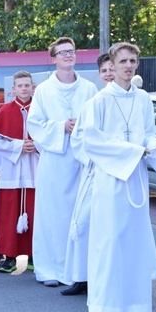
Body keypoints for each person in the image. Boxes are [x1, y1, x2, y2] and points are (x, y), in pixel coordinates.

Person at [72, 42, 156, 312]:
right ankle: (102, 307)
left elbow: (147, 134)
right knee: (109, 241)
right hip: (110, 179)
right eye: (123, 60)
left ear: (137, 64)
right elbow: (93, 142)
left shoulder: (144, 99)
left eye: (133, 60)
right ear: (111, 66)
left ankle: (136, 305)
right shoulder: (98, 102)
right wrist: (133, 152)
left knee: (134, 242)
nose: (128, 65)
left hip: (136, 179)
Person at [26, 38, 97, 287]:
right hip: (55, 161)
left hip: (81, 163)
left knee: (80, 216)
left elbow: (98, 122)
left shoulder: (89, 89)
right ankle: (50, 269)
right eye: (62, 52)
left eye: (71, 51)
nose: (68, 55)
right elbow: (34, 124)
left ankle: (80, 271)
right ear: (53, 58)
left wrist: (82, 129)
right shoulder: (44, 90)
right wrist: (61, 127)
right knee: (53, 216)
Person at [60, 52, 115, 296]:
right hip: (94, 173)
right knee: (82, 224)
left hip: (120, 178)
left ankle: (112, 281)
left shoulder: (136, 100)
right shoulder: (92, 103)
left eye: (112, 68)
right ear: (100, 75)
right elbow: (78, 137)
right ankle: (82, 277)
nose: (109, 74)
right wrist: (93, 158)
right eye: (105, 70)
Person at [0, 71, 39, 273]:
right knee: (9, 213)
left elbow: (50, 135)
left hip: (35, 168)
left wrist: (36, 145)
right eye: (20, 86)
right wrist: (19, 146)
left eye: (27, 85)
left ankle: (34, 256)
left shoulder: (40, 109)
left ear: (33, 86)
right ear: (14, 89)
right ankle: (9, 257)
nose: (24, 89)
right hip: (12, 170)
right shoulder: (5, 111)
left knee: (36, 213)